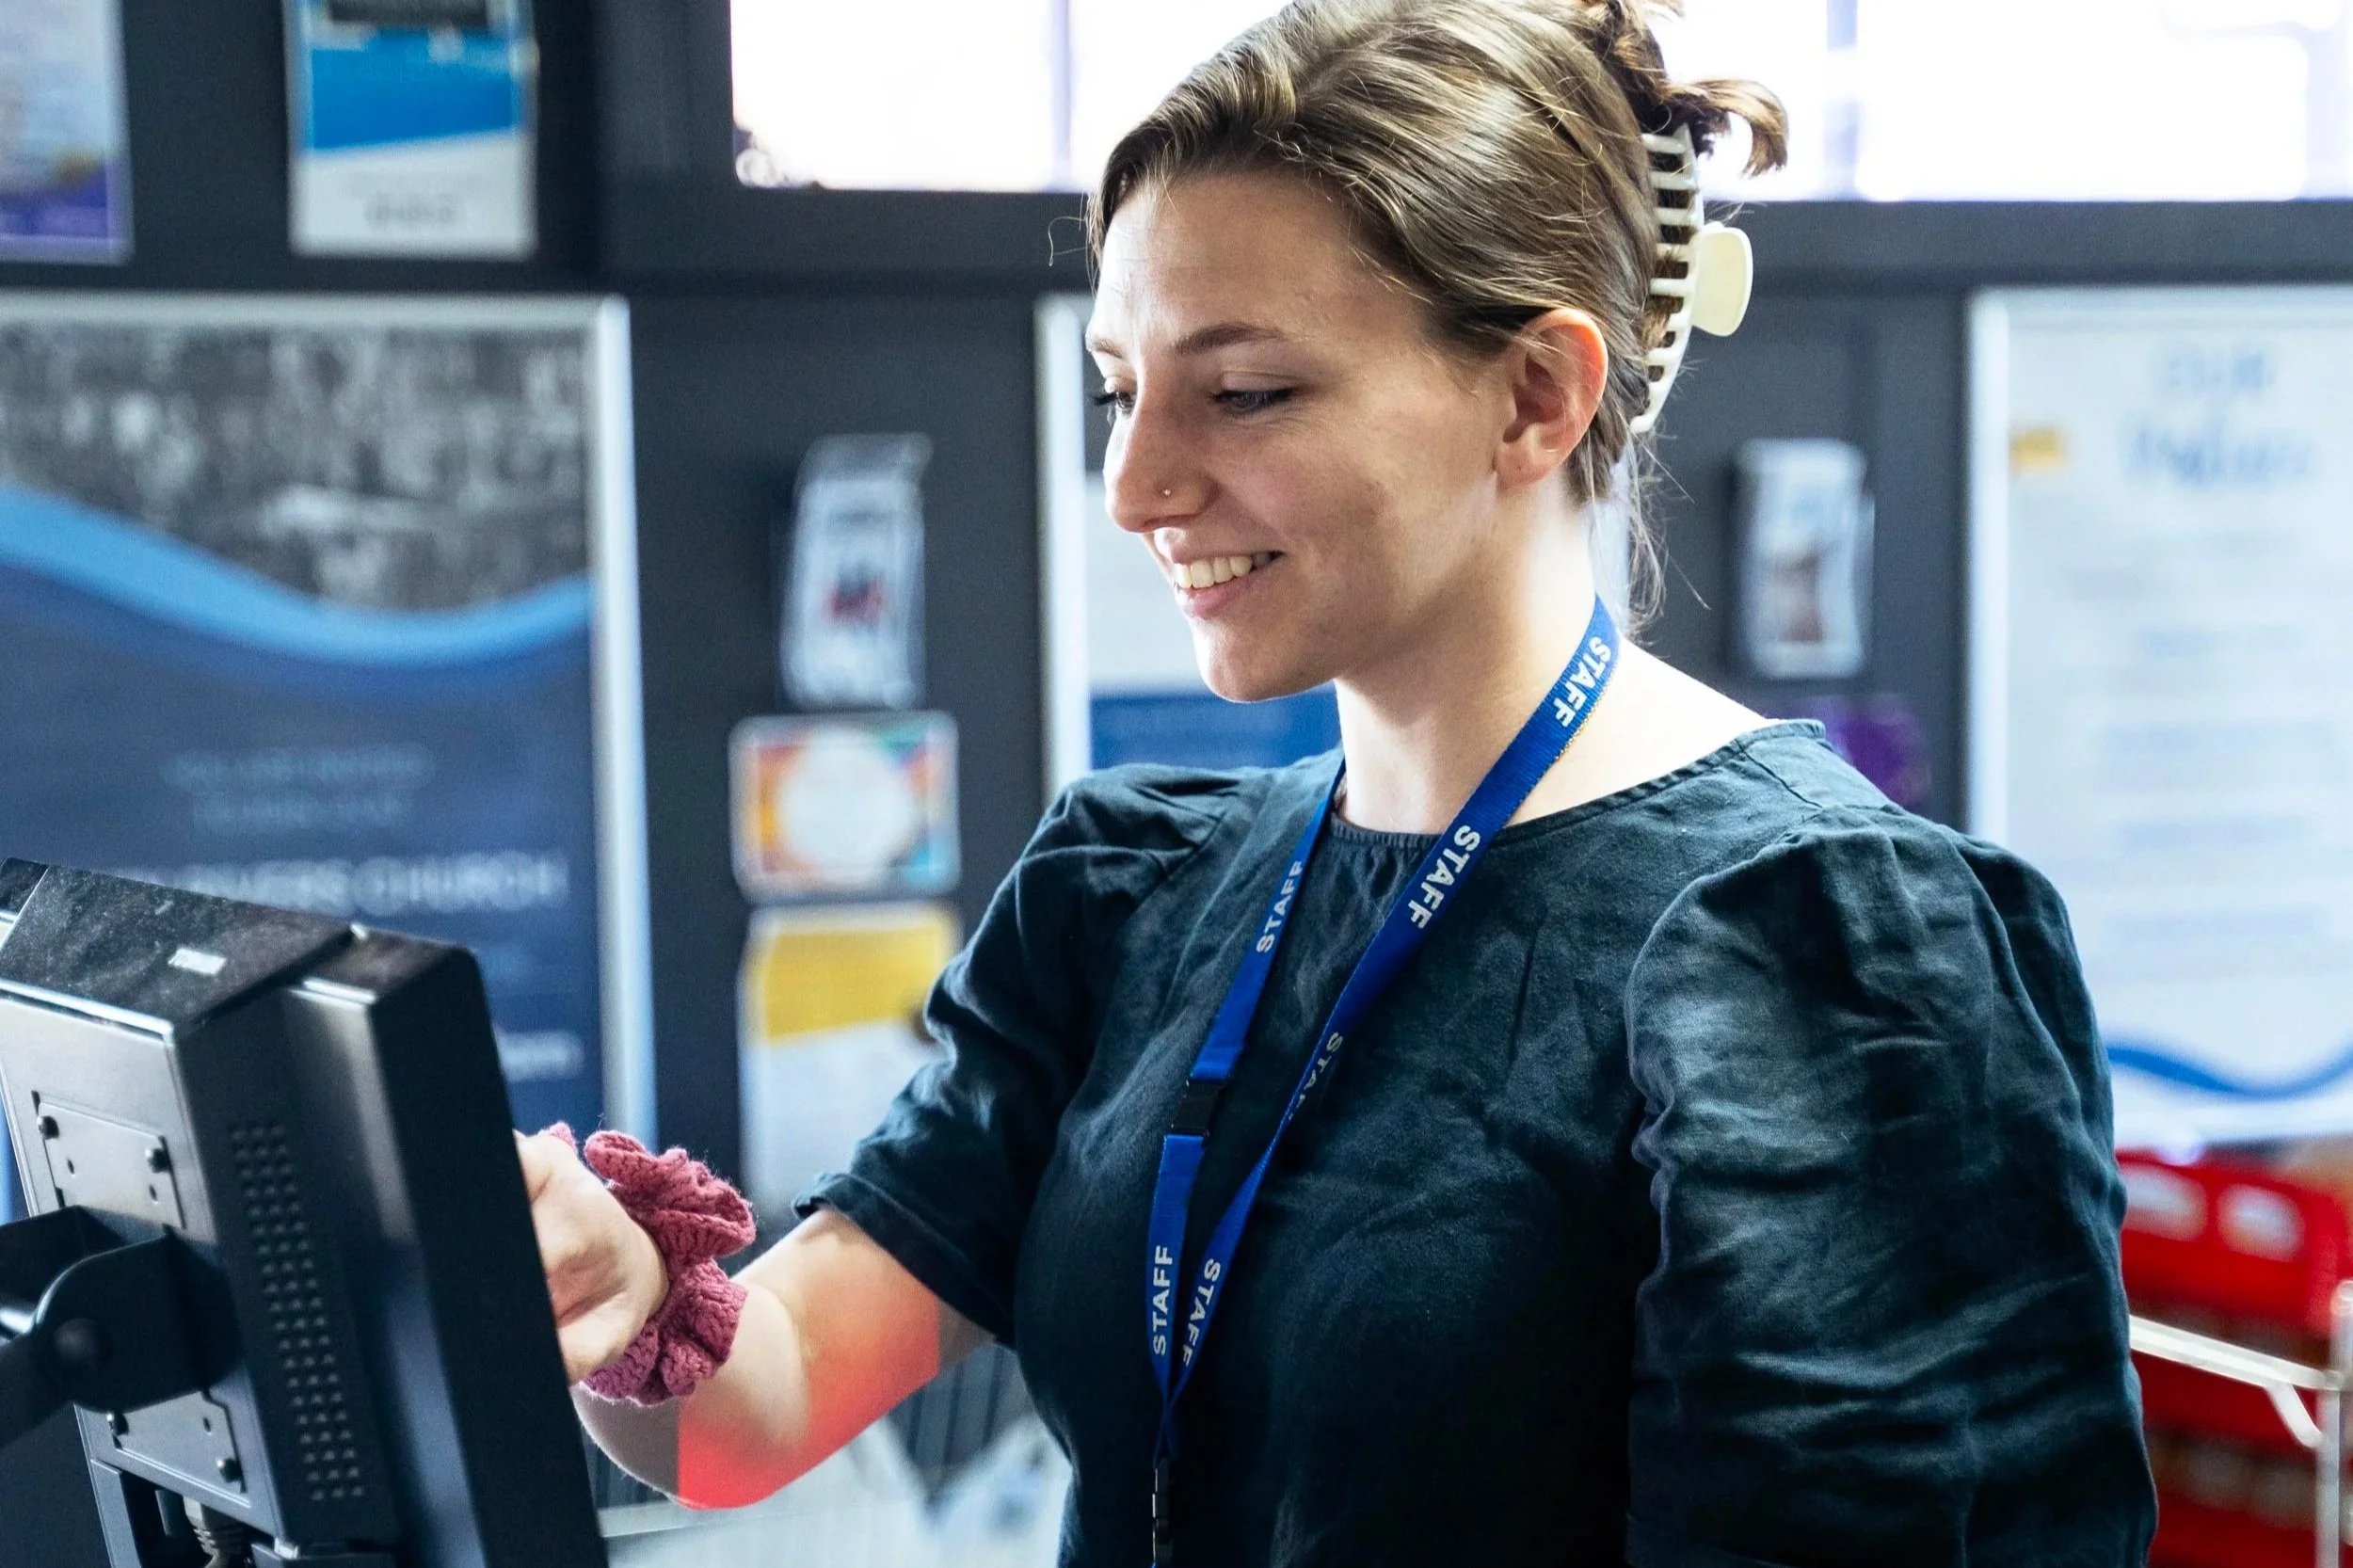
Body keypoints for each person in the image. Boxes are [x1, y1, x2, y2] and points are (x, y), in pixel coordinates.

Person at [519, 1, 2157, 1562]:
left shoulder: (1816, 946)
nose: (1139, 483)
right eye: (1119, 389)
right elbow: (765, 1400)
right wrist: (620, 1296)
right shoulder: (1138, 889)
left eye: (1243, 393)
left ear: (1535, 395)